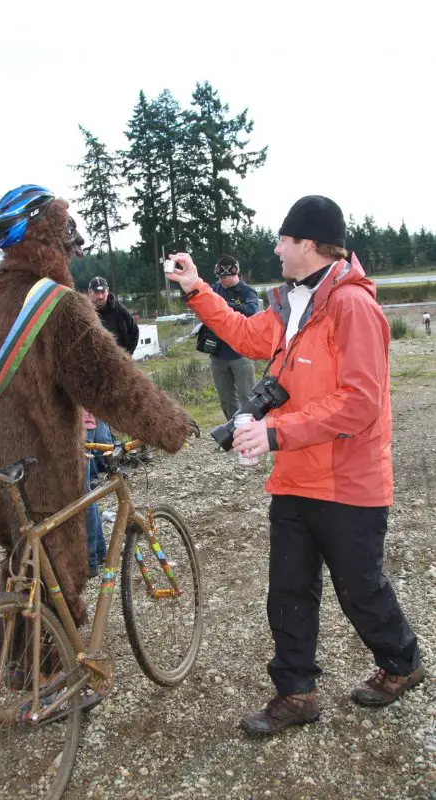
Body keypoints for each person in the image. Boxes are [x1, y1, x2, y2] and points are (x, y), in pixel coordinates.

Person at [168, 195, 425, 735]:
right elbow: (245, 336)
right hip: (295, 479)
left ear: (307, 243)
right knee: (287, 588)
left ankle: (402, 663)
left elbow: (361, 401)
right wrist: (197, 288)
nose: (276, 248)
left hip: (349, 482)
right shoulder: (290, 303)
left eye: (282, 240)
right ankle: (296, 692)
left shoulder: (353, 307)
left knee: (360, 589)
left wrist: (275, 432)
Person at [0, 185, 196, 635]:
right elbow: (109, 381)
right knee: (57, 575)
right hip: (41, 467)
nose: (70, 242)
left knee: (21, 564)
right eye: (63, 229)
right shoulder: (55, 303)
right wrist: (169, 425)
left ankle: (16, 667)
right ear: (47, 234)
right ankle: (52, 685)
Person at [87, 275, 150, 466]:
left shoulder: (119, 310)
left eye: (103, 291)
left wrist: (126, 356)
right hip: (96, 371)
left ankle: (140, 448)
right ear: (89, 293)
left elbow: (134, 332)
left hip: (120, 368)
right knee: (99, 412)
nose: (100, 295)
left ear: (108, 291)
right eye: (96, 292)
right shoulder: (85, 311)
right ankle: (106, 455)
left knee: (130, 406)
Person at [204, 255, 260, 420]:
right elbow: (205, 303)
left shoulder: (247, 292)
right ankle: (234, 432)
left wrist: (225, 306)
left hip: (240, 353)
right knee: (226, 399)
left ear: (235, 274)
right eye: (219, 277)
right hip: (218, 353)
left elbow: (251, 310)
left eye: (224, 277)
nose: (221, 280)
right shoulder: (216, 289)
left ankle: (252, 433)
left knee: (247, 397)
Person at [82, 409, 107, 578]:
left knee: (83, 494)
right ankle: (99, 551)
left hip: (78, 425)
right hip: (84, 424)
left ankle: (91, 559)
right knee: (86, 493)